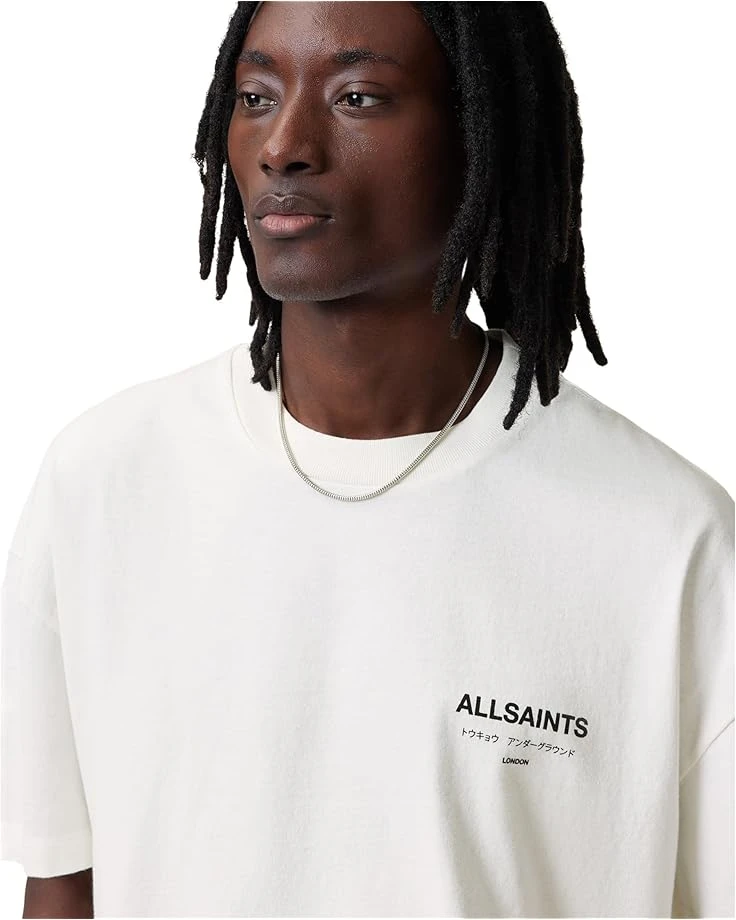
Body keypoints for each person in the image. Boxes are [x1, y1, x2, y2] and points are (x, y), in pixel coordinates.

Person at [2, 2, 733, 917]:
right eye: (256, 96)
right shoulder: (103, 483)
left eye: (358, 96)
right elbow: (63, 885)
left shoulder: (669, 542)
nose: (284, 146)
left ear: (481, 131)